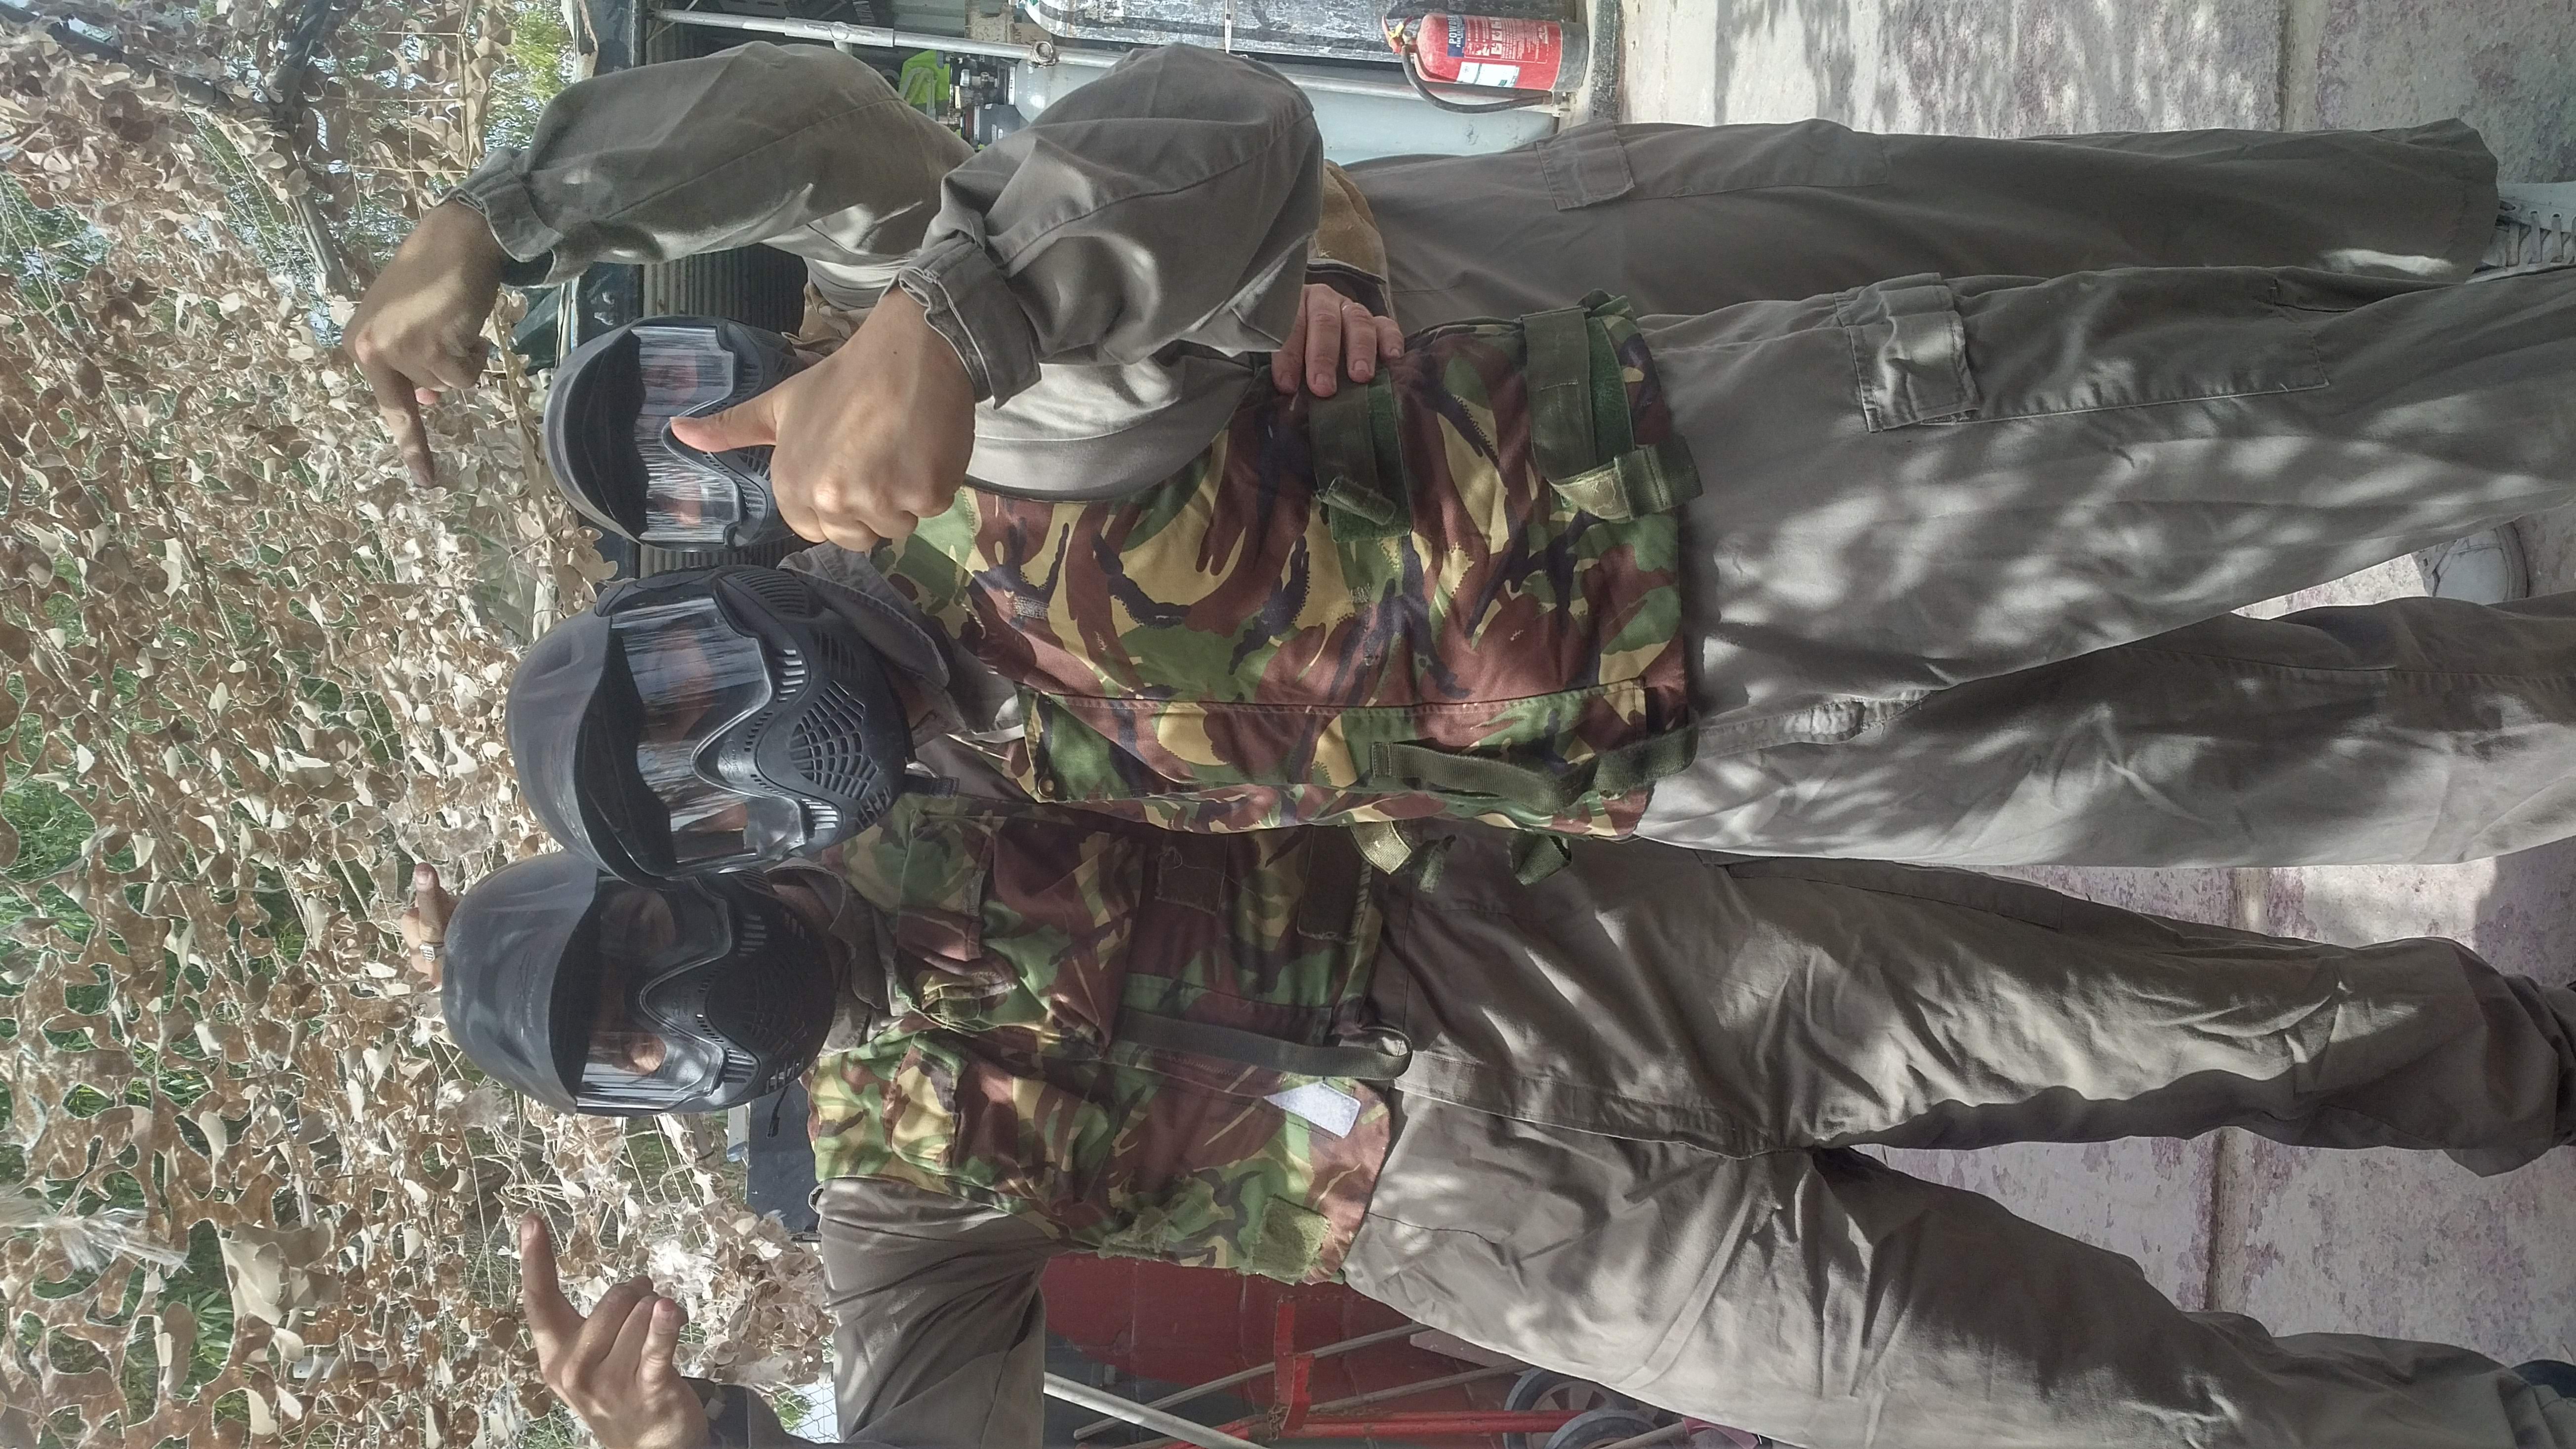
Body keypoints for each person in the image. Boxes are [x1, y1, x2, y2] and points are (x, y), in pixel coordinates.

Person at [494, 45, 2576, 878]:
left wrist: (517, 208)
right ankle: (2445, 382)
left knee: (2050, 286)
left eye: (678, 700)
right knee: (2212, 605)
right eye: (701, 796)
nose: (734, 758)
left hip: (1598, 412)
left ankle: (2453, 240)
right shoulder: (985, 739)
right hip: (1676, 737)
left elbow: (1091, 137)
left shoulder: (948, 412)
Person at [419, 795, 2576, 1448]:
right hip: (1548, 1247)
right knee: (2101, 1409)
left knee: (2150, 1011)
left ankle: (2527, 1063)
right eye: (623, 1044)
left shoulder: (914, 762)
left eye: (635, 951)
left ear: (661, 869)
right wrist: (705, 1442)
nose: (671, 1013)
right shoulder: (889, 1184)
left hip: (1576, 953)